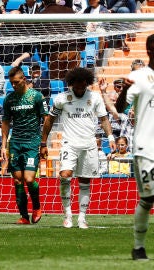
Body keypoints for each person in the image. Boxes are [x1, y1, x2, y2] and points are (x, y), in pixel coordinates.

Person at [41, 67, 116, 229]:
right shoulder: (62, 98)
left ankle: (82, 218)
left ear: (88, 83)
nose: (81, 88)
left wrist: (110, 137)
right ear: (71, 83)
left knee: (84, 181)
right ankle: (67, 215)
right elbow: (49, 120)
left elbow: (103, 119)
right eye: (77, 85)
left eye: (84, 85)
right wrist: (43, 142)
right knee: (65, 175)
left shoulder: (94, 97)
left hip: (89, 145)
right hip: (70, 143)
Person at [114, 33, 154, 260]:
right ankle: (138, 246)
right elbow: (121, 108)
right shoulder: (139, 77)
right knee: (149, 199)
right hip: (147, 147)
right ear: (149, 50)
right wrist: (124, 91)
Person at [0, 67, 48, 225]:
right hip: (15, 143)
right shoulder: (9, 99)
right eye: (11, 83)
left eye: (16, 82)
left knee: (29, 178)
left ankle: (37, 207)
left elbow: (46, 119)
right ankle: (24, 216)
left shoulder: (37, 97)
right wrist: (3, 144)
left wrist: (43, 143)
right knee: (18, 180)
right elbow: (6, 122)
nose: (13, 85)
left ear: (24, 79)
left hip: (31, 142)